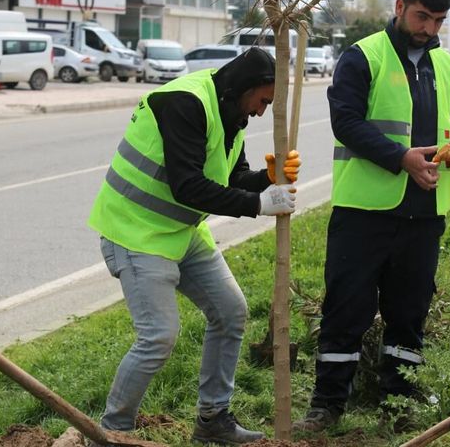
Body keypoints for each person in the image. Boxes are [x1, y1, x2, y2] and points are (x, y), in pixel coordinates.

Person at [294, 0, 450, 432]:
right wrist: (403, 159)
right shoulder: (362, 57)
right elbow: (347, 124)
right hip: (365, 213)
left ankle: (397, 401)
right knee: (347, 307)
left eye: (438, 21)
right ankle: (328, 405)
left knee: (410, 310)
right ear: (399, 7)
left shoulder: (447, 64)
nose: (430, 30)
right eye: (422, 17)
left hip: (425, 214)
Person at [88, 47, 299, 445]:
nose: (261, 111)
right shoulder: (185, 102)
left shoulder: (232, 111)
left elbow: (232, 175)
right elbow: (188, 186)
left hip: (181, 232)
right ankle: (112, 430)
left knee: (230, 311)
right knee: (159, 336)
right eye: (263, 101)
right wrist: (259, 204)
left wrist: (264, 179)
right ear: (247, 87)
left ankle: (212, 420)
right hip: (135, 231)